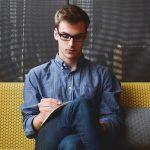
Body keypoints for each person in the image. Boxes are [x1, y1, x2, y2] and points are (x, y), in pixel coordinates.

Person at [21, 4, 123, 150]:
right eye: (65, 36)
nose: (71, 43)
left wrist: (88, 124)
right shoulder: (36, 75)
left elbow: (114, 121)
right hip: (48, 142)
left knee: (71, 144)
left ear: (85, 36)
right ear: (56, 34)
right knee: (80, 105)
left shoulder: (103, 75)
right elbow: (28, 127)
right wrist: (41, 117)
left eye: (78, 37)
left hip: (82, 142)